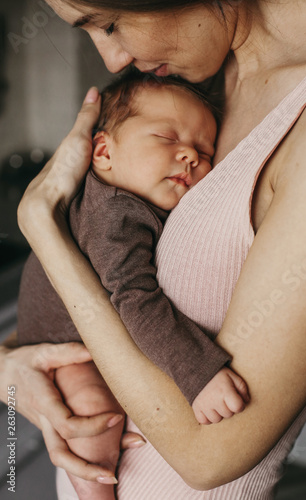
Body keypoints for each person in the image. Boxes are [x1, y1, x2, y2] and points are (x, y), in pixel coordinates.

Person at [1, 0, 306, 498]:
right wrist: (9, 368)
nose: (112, 60)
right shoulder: (206, 82)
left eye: (109, 23)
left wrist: (41, 228)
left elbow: (208, 457)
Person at [16, 71, 250, 500]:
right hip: (61, 344)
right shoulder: (114, 214)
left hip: (69, 333)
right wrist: (198, 373)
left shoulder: (134, 201)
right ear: (103, 151)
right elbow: (136, 300)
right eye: (167, 138)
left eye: (204, 150)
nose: (190, 157)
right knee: (94, 413)